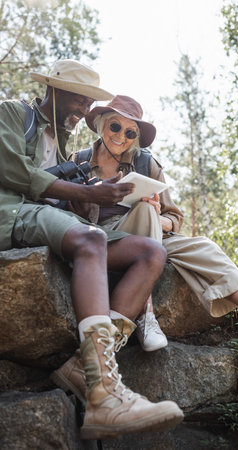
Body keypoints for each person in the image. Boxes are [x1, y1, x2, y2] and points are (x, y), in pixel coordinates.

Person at [0, 61, 184, 440]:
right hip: (12, 215)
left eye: (88, 104)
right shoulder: (12, 114)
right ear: (54, 89)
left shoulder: (66, 151)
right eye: (79, 100)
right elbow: (15, 174)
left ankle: (84, 371)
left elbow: (59, 205)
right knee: (92, 239)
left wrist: (82, 204)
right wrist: (84, 193)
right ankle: (104, 394)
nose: (83, 110)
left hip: (44, 220)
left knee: (151, 254)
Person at [77, 94, 238, 356]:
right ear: (102, 123)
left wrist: (157, 216)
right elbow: (69, 215)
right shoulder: (79, 162)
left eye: (130, 131)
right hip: (106, 238)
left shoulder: (145, 162)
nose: (121, 136)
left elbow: (175, 218)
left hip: (151, 235)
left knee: (204, 246)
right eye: (115, 126)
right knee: (147, 210)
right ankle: (145, 316)